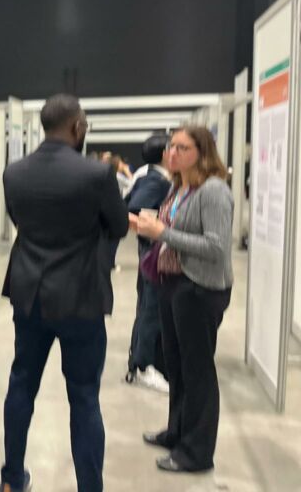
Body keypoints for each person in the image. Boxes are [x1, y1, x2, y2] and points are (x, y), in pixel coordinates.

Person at [0, 94, 128, 492]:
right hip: (80, 297)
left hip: (30, 294)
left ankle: (11, 480)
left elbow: (19, 221)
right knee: (85, 396)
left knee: (21, 383)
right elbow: (119, 226)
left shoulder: (14, 172)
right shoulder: (97, 174)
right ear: (77, 126)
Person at [135, 126, 233, 474]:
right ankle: (177, 432)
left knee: (197, 371)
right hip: (173, 284)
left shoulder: (213, 191)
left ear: (202, 152)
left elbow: (216, 247)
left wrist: (163, 233)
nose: (172, 153)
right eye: (171, 146)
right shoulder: (179, 187)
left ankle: (197, 452)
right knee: (175, 365)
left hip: (200, 288)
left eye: (182, 147)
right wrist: (149, 227)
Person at [124, 134, 172, 393]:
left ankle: (140, 362)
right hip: (153, 253)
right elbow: (134, 208)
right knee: (150, 308)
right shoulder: (155, 180)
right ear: (165, 153)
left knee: (148, 306)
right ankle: (143, 365)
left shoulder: (152, 176)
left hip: (151, 251)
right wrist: (155, 231)